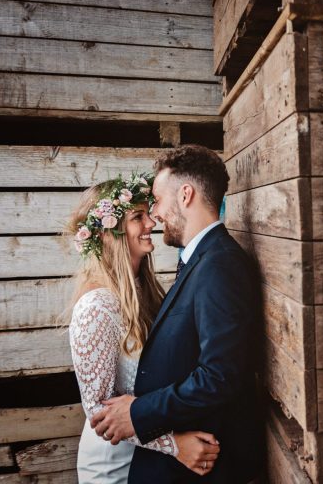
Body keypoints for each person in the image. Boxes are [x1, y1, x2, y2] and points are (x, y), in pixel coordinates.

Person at [90, 145, 264, 483]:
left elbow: (219, 376)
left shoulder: (220, 264)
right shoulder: (200, 261)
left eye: (157, 200)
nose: (155, 215)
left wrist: (138, 412)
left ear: (186, 195)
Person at [66, 173, 221, 483]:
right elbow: (98, 412)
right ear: (110, 232)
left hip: (148, 462)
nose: (151, 222)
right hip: (114, 466)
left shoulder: (145, 290)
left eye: (148, 213)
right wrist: (174, 445)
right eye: (138, 217)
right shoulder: (96, 307)